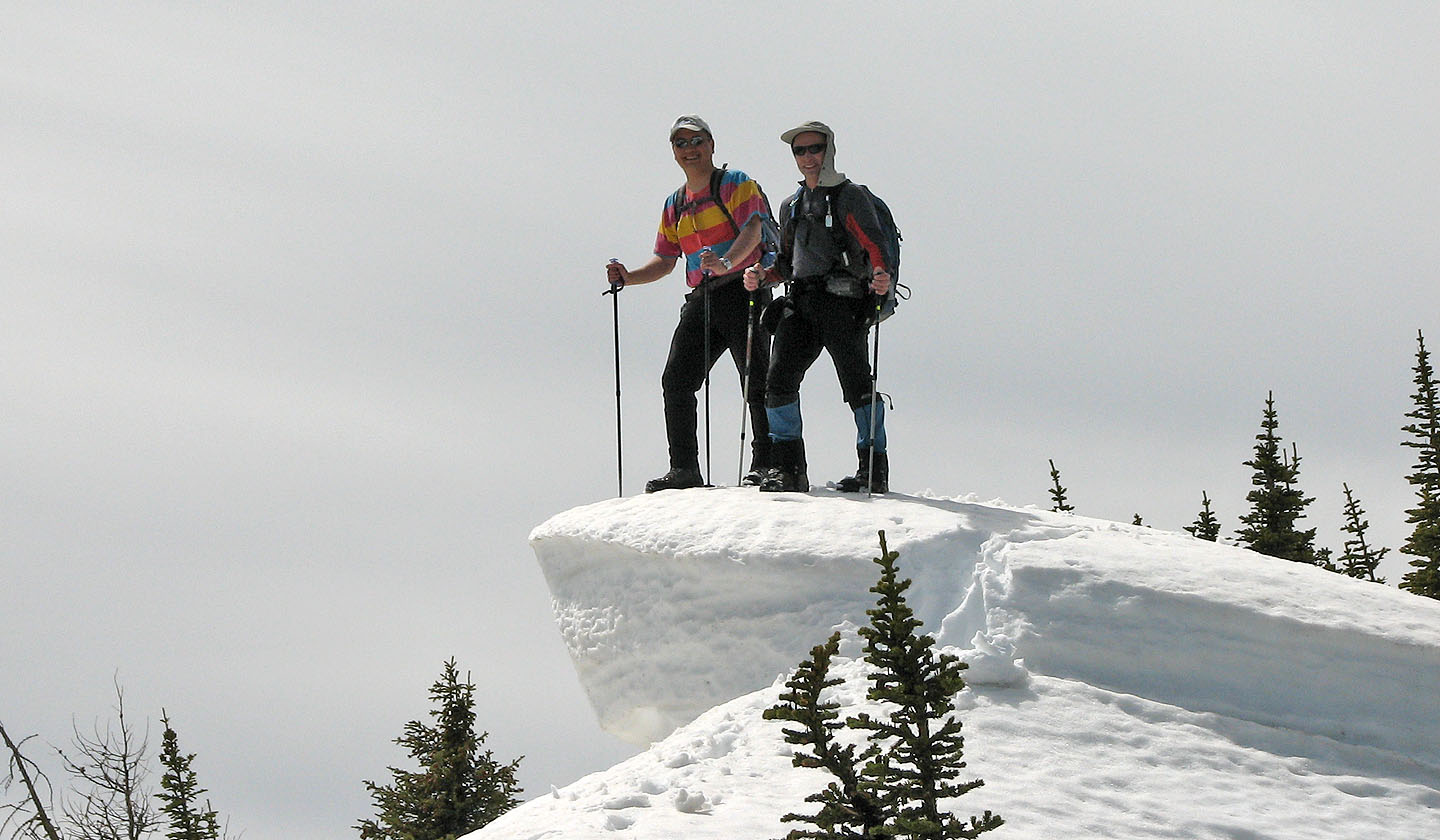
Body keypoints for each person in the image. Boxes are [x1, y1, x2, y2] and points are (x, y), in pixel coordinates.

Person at [606, 116, 775, 492]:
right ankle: (684, 469)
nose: (689, 149)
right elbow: (665, 259)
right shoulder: (675, 203)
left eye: (696, 141)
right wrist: (628, 277)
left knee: (755, 378)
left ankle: (767, 463)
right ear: (673, 151)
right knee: (677, 380)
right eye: (681, 143)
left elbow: (754, 228)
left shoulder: (734, 183)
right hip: (703, 297)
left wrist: (727, 262)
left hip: (744, 289)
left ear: (711, 144)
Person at [742, 120, 893, 493]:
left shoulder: (849, 196)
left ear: (829, 150)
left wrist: (881, 274)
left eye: (815, 148)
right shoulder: (791, 205)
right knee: (778, 381)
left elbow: (874, 244)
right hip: (802, 302)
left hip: (843, 302)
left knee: (857, 384)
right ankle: (788, 470)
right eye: (800, 150)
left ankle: (871, 471)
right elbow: (787, 262)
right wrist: (762, 275)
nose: (808, 157)